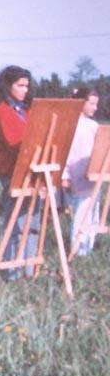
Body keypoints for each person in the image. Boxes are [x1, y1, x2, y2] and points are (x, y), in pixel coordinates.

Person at [0, 65, 38, 281]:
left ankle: (28, 268)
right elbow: (15, 141)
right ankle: (11, 271)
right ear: (8, 86)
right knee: (15, 221)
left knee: (32, 220)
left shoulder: (26, 110)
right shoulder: (2, 110)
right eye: (20, 85)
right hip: (13, 171)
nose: (25, 90)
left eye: (27, 85)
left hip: (33, 170)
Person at [62, 87, 101, 256]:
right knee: (81, 212)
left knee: (94, 211)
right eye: (92, 104)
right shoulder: (69, 124)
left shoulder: (94, 125)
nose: (95, 108)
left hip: (93, 175)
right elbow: (63, 152)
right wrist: (64, 175)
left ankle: (89, 248)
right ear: (81, 103)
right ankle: (78, 250)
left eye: (96, 104)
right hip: (76, 175)